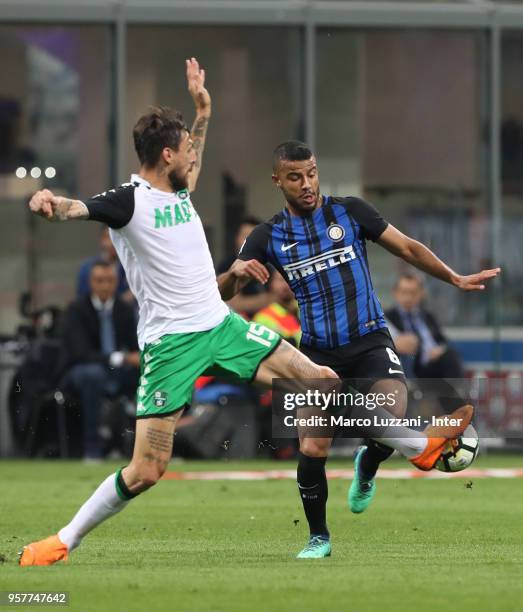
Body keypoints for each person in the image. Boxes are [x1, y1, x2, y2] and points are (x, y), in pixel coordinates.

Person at [21, 62, 470, 566]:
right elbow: (77, 209)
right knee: (146, 469)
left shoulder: (180, 188)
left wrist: (203, 110)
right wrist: (49, 202)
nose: (193, 158)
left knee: (322, 382)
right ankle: (63, 540)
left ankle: (420, 448)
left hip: (223, 326)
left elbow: (191, 155)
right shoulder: (128, 201)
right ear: (166, 155)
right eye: (186, 150)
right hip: (171, 346)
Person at [219, 140, 499, 558]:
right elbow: (220, 295)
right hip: (315, 351)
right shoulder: (268, 236)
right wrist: (234, 272)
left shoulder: (350, 211)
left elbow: (407, 247)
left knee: (392, 409)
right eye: (295, 177)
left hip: (369, 340)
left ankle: (369, 464)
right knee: (313, 445)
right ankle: (318, 537)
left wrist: (454, 278)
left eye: (311, 173)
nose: (307, 183)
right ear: (278, 181)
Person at [63, 261, 140, 460]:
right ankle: (93, 448)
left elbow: (134, 345)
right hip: (80, 372)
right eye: (99, 281)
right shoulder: (77, 309)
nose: (105, 286)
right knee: (93, 375)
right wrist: (121, 357)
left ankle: (146, 447)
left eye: (110, 280)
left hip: (117, 372)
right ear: (91, 282)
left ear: (117, 282)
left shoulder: (123, 309)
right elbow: (80, 353)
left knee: (150, 373)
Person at [386, 273, 465, 379]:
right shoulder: (388, 318)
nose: (408, 297)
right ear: (395, 293)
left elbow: (443, 340)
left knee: (450, 356)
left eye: (413, 293)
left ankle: (457, 394)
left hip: (434, 363)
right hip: (411, 365)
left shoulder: (427, 316)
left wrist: (439, 349)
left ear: (421, 293)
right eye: (404, 292)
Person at [216, 217, 272, 317]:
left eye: (255, 238)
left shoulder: (269, 267)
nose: (249, 242)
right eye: (245, 236)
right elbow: (234, 304)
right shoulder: (227, 266)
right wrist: (270, 299)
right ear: (236, 238)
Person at [76, 227, 131, 301]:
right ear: (101, 240)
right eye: (108, 238)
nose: (112, 243)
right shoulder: (87, 268)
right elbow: (82, 297)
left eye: (117, 238)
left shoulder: (131, 267)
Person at [252, 270, 301, 346]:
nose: (285, 284)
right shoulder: (262, 318)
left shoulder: (308, 310)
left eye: (288, 279)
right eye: (280, 280)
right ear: (271, 284)